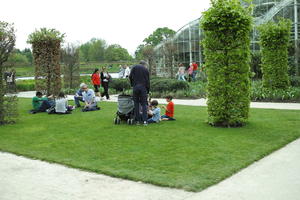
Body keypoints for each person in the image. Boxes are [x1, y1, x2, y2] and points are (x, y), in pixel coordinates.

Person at [129, 60, 150, 126]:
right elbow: (148, 81)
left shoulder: (134, 67)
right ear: (144, 64)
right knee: (144, 104)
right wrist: (148, 90)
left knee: (136, 104)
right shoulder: (145, 69)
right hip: (143, 88)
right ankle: (145, 121)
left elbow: (130, 77)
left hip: (135, 87)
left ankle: (137, 121)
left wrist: (132, 85)